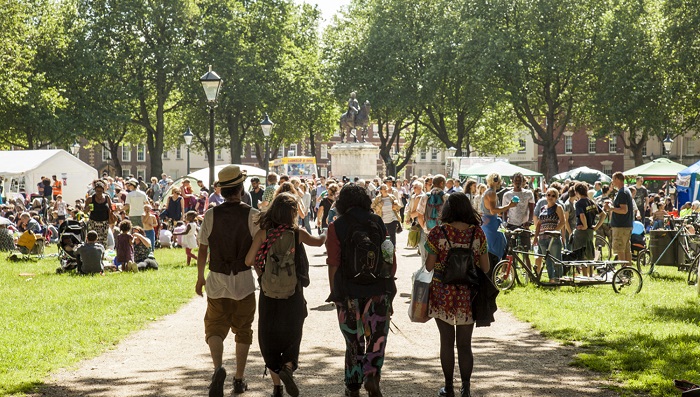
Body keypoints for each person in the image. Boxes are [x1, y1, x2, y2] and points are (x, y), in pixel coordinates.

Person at [244, 193, 326, 397]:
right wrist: (325, 233)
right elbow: (318, 243)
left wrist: (261, 271)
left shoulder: (264, 234)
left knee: (268, 337)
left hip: (268, 293)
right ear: (291, 213)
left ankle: (277, 386)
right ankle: (288, 367)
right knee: (292, 334)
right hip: (293, 293)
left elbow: (248, 260)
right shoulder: (297, 233)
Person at [325, 183, 396, 397]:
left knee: (353, 342)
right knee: (377, 337)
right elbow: (388, 256)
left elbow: (333, 263)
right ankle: (372, 375)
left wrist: (334, 291)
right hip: (377, 290)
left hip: (348, 292)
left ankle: (353, 386)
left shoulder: (336, 226)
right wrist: (389, 285)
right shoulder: (377, 222)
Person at [196, 165, 259, 397]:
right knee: (243, 330)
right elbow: (258, 251)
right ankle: (239, 379)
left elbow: (203, 250)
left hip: (217, 280)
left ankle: (218, 368)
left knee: (214, 327)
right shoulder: (253, 215)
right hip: (243, 281)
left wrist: (200, 278)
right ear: (241, 189)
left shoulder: (211, 215)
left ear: (221, 191)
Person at [425, 192, 489, 397]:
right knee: (464, 344)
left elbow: (429, 266)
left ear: (447, 210)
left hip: (442, 291)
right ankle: (466, 388)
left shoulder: (437, 233)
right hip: (467, 294)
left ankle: (449, 387)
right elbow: (486, 267)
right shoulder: (477, 234)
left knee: (446, 341)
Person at [480, 173, 516, 264]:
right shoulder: (491, 193)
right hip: (491, 224)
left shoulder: (489, 192)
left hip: (488, 222)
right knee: (495, 248)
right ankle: (494, 270)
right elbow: (493, 210)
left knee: (499, 244)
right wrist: (509, 206)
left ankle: (498, 269)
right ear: (498, 181)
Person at [532, 188, 566, 281]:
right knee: (547, 261)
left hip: (553, 238)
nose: (550, 197)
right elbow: (539, 223)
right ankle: (551, 279)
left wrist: (554, 231)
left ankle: (558, 280)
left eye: (553, 195)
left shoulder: (558, 207)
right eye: (548, 195)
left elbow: (563, 222)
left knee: (556, 260)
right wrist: (536, 237)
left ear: (556, 197)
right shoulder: (543, 208)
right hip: (542, 238)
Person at [604, 172, 634, 266]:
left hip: (621, 226)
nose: (612, 182)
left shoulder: (622, 192)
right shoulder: (626, 190)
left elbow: (624, 210)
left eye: (613, 180)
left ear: (617, 179)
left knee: (620, 249)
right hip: (626, 225)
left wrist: (610, 208)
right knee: (626, 249)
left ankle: (623, 271)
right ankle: (628, 270)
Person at [502, 172, 535, 249]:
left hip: (524, 224)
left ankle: (526, 260)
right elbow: (504, 210)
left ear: (523, 181)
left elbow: (531, 209)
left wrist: (529, 221)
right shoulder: (507, 195)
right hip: (511, 224)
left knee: (525, 250)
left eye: (519, 180)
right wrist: (504, 221)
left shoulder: (528, 193)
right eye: (515, 180)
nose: (517, 182)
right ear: (512, 181)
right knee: (510, 250)